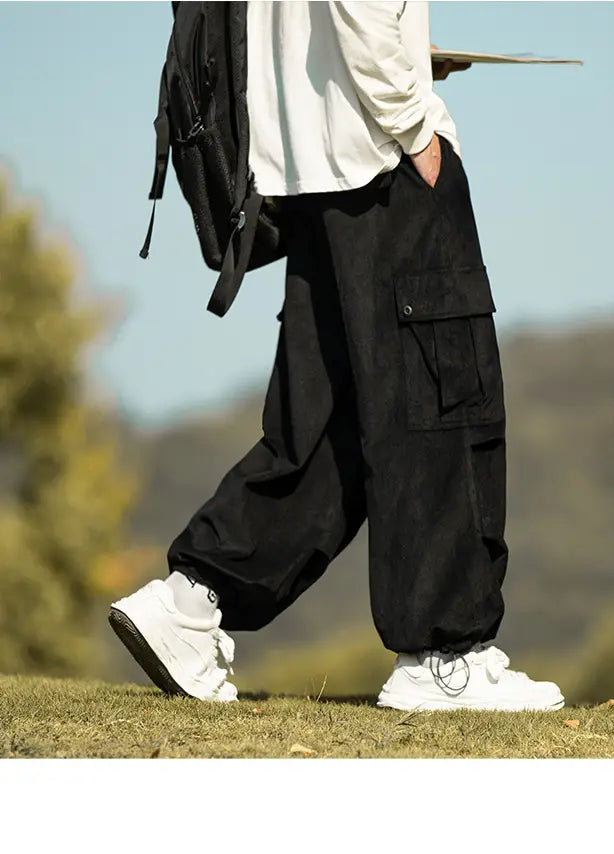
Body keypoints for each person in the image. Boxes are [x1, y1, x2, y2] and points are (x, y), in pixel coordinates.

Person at [110, 1, 564, 712]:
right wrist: (415, 124)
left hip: (307, 174)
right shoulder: (400, 143)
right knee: (441, 404)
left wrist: (403, 60)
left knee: (328, 424)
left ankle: (192, 601)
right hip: (383, 162)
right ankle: (443, 656)